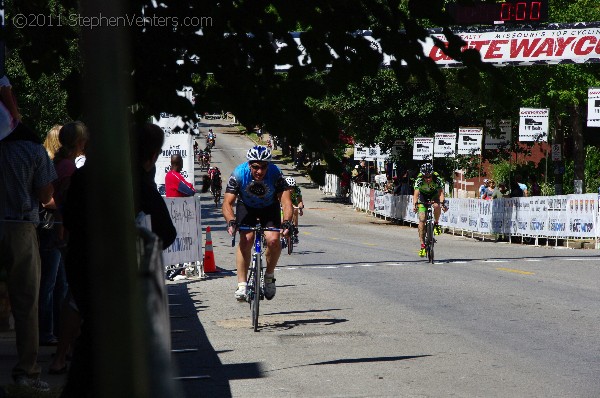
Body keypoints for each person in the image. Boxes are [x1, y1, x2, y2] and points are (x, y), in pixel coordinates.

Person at [60, 122, 176, 397]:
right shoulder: (134, 179)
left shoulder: (84, 174)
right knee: (101, 334)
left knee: (93, 329)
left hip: (79, 260)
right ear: (149, 156)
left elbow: (71, 219)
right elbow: (166, 232)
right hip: (108, 269)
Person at [0, 130, 56, 391]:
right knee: (25, 302)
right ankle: (27, 371)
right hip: (20, 226)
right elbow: (46, 196)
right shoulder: (34, 152)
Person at [38, 122, 88, 349]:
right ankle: (51, 332)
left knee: (57, 284)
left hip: (55, 227)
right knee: (57, 285)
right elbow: (64, 202)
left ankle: (54, 331)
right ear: (79, 142)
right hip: (59, 228)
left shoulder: (60, 163)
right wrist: (64, 228)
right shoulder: (68, 167)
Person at [222, 145, 292, 301]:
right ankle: (242, 285)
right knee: (246, 240)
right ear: (249, 165)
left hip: (269, 207)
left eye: (263, 167)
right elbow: (227, 203)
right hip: (247, 207)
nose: (259, 171)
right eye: (255, 167)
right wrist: (231, 221)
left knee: (273, 240)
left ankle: (269, 276)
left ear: (269, 166)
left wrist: (287, 222)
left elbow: (286, 202)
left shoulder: (275, 173)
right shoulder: (239, 174)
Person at [413, 163, 445, 257]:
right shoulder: (418, 180)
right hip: (423, 197)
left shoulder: (437, 179)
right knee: (422, 220)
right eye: (425, 177)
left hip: (434, 195)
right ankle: (422, 246)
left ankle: (436, 223)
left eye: (429, 177)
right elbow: (415, 195)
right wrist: (415, 205)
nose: (428, 179)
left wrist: (442, 204)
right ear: (422, 176)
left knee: (437, 206)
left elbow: (441, 194)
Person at [285, 177, 304, 244]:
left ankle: (295, 229)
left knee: (295, 211)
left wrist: (300, 208)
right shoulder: (283, 190)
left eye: (292, 187)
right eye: (289, 187)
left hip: (293, 202)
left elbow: (300, 201)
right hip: (285, 202)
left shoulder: (297, 190)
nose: (290, 189)